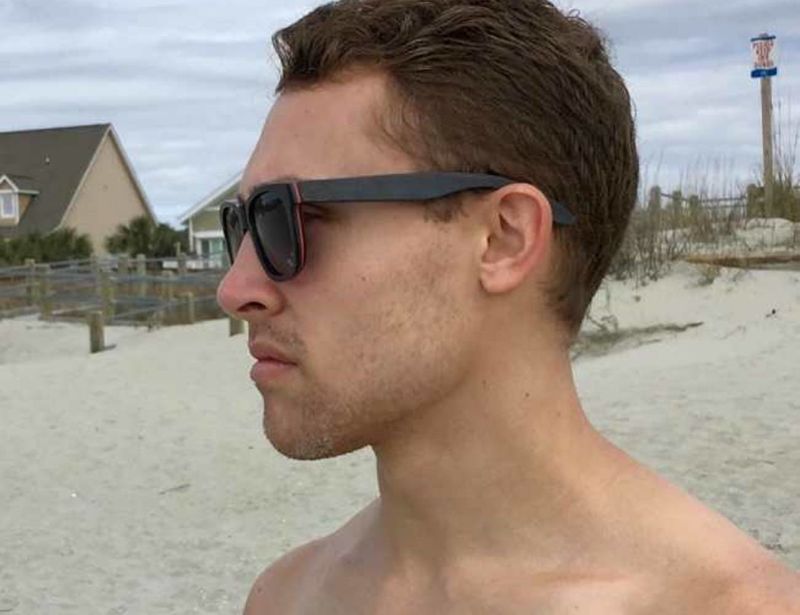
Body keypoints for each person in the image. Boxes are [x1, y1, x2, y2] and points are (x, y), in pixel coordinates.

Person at [216, 0, 800, 612]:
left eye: (291, 219)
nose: (235, 289)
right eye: (242, 224)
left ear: (504, 239)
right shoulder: (286, 597)